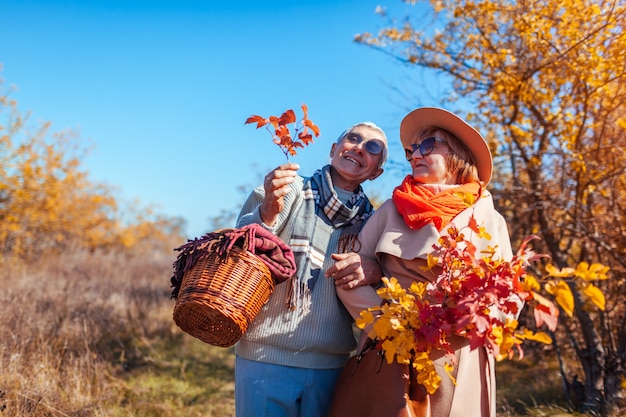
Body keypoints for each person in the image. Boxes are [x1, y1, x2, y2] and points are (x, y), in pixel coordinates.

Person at [325, 107, 519, 417]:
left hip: (461, 356)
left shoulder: (490, 218)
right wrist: (389, 329)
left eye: (429, 146)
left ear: (457, 155)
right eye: (412, 149)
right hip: (390, 354)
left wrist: (476, 319)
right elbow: (348, 273)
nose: (416, 154)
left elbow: (509, 293)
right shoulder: (389, 210)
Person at [233, 121, 388, 417]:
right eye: (353, 138)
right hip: (265, 356)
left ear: (376, 171)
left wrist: (375, 269)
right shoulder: (287, 189)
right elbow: (241, 248)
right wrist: (268, 210)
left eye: (372, 148)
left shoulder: (374, 222)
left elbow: (386, 285)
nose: (359, 148)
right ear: (333, 149)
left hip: (331, 367)